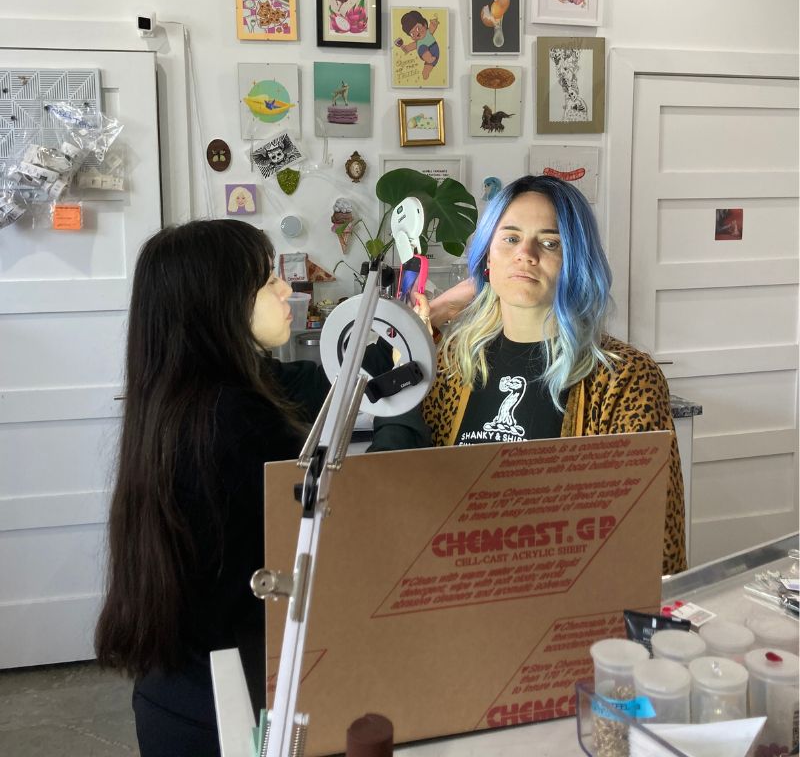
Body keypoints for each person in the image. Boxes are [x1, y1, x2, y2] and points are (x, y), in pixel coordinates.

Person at [94, 219, 413, 757]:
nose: (287, 289)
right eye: (268, 283)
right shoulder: (237, 422)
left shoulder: (179, 400)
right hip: (231, 708)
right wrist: (406, 415)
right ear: (218, 305)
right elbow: (359, 519)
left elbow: (305, 383)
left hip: (172, 686)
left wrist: (397, 346)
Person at [421, 175, 687, 575]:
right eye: (510, 238)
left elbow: (652, 535)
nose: (525, 254)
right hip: (460, 594)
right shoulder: (451, 365)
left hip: (572, 610)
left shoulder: (625, 378)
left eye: (549, 243)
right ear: (487, 257)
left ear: (576, 262)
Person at [394, 10, 440, 81]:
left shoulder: (428, 32)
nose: (417, 33)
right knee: (425, 73)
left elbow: (433, 26)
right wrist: (401, 46)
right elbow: (407, 48)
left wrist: (434, 23)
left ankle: (429, 58)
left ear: (424, 25)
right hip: (429, 61)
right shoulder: (416, 43)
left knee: (422, 48)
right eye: (412, 34)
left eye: (418, 28)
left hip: (434, 51)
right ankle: (426, 70)